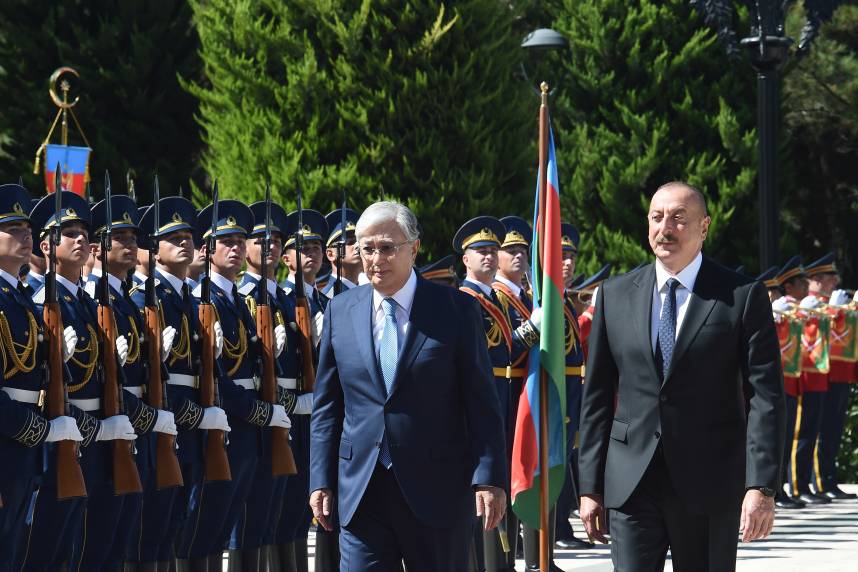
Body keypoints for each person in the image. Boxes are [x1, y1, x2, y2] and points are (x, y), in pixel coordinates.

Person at [578, 181, 785, 571]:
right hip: (631, 483)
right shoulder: (614, 294)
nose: (665, 228)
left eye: (678, 218)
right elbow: (598, 397)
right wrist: (589, 485)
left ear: (704, 227)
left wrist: (761, 485)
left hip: (708, 483)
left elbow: (765, 397)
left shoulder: (740, 296)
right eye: (657, 217)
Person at [310, 201, 508, 571]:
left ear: (414, 248)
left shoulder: (455, 310)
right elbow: (328, 407)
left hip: (435, 490)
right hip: (361, 492)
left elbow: (481, 402)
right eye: (367, 248)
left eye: (387, 247)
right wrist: (320, 480)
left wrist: (489, 478)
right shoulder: (341, 310)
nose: (375, 258)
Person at [22, 191, 139, 571]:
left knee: (87, 548)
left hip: (95, 438)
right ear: (46, 245)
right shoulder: (43, 300)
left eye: (83, 232)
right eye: (67, 232)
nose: (79, 239)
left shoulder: (87, 303)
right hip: (63, 439)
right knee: (49, 551)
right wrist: (96, 428)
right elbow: (43, 389)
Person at [181, 200, 291, 569]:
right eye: (226, 241)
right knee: (204, 525)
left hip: (247, 426)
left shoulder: (237, 302)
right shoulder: (203, 299)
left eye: (240, 241)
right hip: (226, 422)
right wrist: (258, 410)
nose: (236, 248)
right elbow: (214, 373)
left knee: (231, 523)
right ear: (208, 249)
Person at [135, 197, 232, 570]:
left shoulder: (191, 299)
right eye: (173, 236)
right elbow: (154, 377)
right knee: (154, 529)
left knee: (179, 525)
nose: (185, 242)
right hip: (168, 423)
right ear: (155, 249)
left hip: (191, 426)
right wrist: (195, 415)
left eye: (189, 235)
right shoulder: (148, 297)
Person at [0, 185, 83, 571]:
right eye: (13, 228)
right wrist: (38, 429)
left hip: (22, 450)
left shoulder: (19, 298)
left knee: (17, 553)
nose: (25, 235)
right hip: (8, 442)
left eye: (27, 228)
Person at [455, 215, 539, 572]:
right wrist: (531, 332)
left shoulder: (497, 301)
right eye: (481, 252)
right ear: (466, 260)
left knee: (503, 485)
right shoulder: (463, 300)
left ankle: (501, 561)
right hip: (478, 402)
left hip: (502, 400)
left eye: (493, 251)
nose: (489, 257)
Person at [234, 200, 306, 570]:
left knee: (285, 512)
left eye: (277, 239)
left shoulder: (285, 296)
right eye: (260, 239)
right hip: (262, 411)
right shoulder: (243, 296)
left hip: (289, 409)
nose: (271, 246)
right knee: (254, 516)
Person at [275, 208, 328, 572]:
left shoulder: (325, 302)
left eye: (315, 247)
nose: (310, 254)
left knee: (302, 507)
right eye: (301, 247)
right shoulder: (277, 299)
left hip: (319, 411)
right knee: (283, 506)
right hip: (290, 410)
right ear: (287, 257)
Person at [321, 207, 361, 298]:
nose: (357, 246)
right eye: (350, 242)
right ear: (330, 254)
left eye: (359, 241)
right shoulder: (328, 298)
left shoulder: (365, 291)